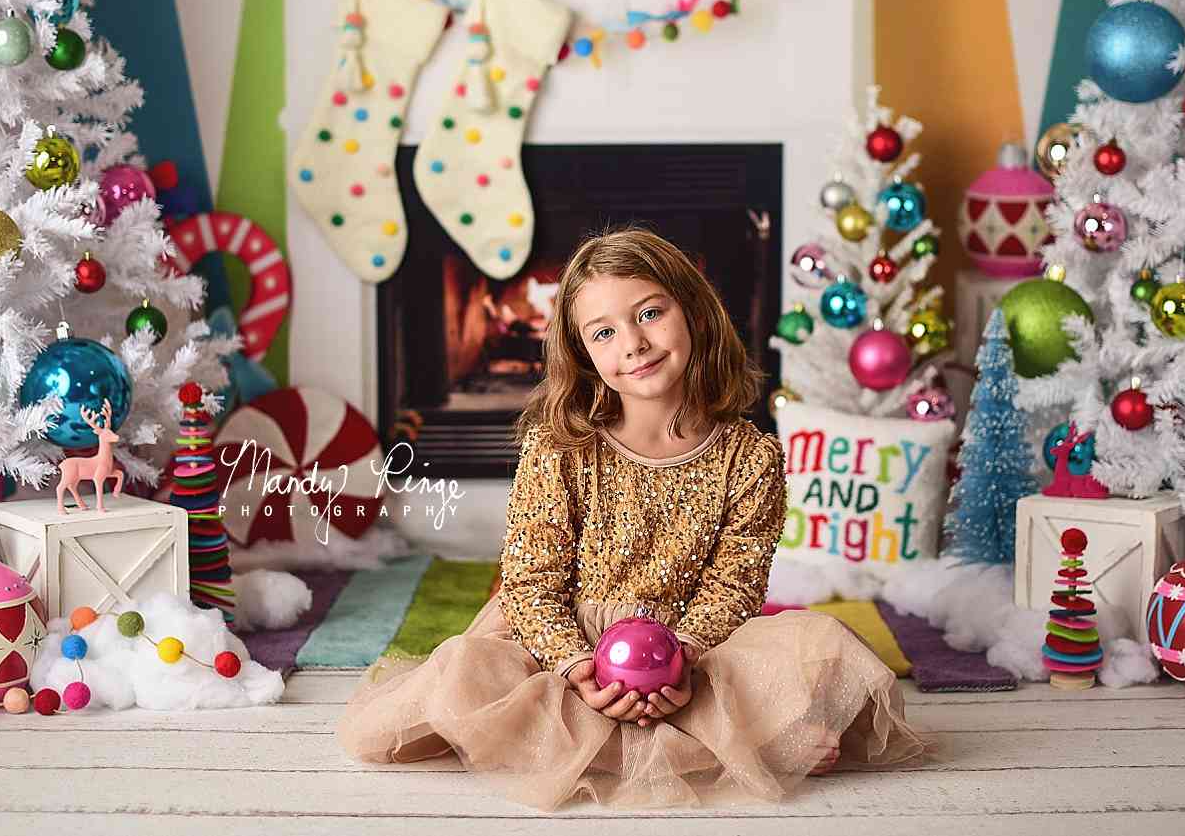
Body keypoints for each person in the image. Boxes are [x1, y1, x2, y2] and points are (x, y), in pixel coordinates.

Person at [337, 226, 925, 810]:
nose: (633, 344)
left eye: (649, 313)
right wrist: (576, 667)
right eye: (603, 332)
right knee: (466, 675)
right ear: (584, 353)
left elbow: (736, 584)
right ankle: (736, 746)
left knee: (814, 652)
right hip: (566, 645)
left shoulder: (752, 457)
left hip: (691, 649)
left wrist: (684, 658)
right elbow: (530, 580)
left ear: (693, 310)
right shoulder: (562, 447)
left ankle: (700, 730)